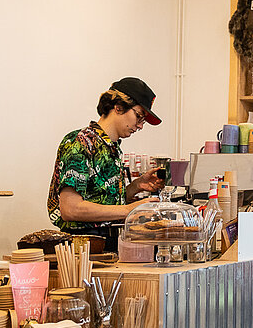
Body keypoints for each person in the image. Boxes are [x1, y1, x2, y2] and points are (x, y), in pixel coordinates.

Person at [47, 77, 166, 236]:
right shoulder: (80, 143)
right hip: (84, 245)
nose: (140, 126)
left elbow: (100, 201)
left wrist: (136, 186)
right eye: (138, 116)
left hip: (110, 241)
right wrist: (128, 210)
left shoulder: (112, 148)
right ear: (118, 107)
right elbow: (70, 209)